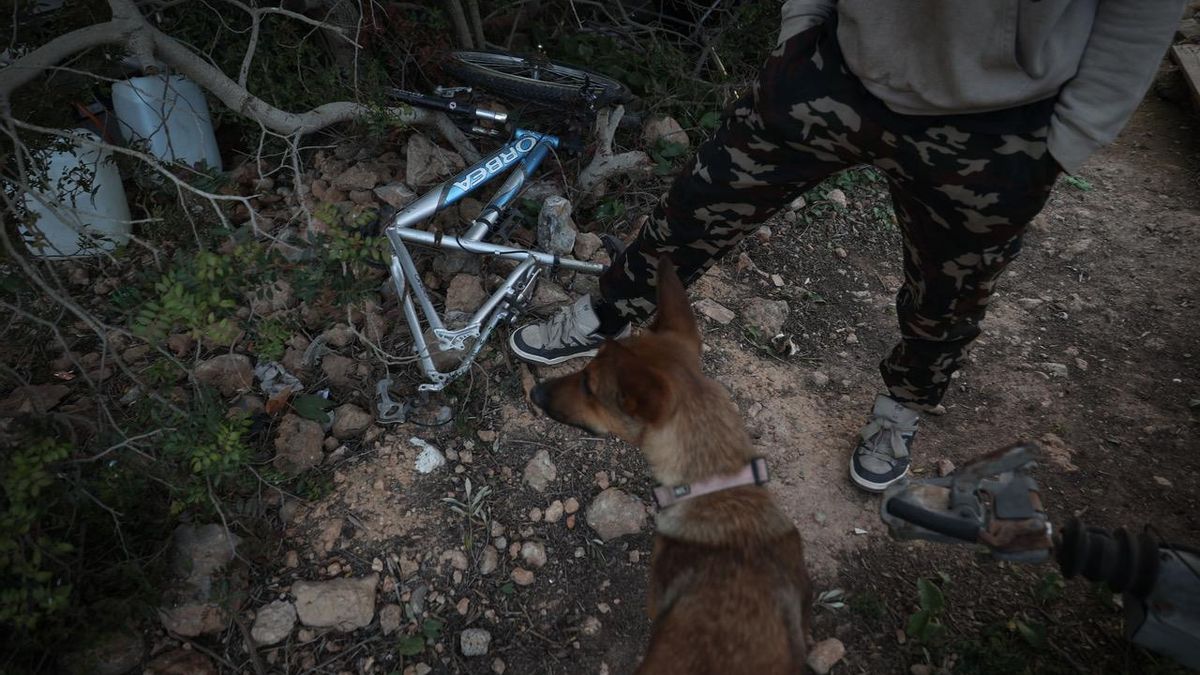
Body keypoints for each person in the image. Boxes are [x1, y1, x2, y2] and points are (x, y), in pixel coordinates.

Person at [509, 0, 1185, 492]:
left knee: (950, 290)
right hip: (841, 71)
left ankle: (902, 407)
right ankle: (609, 311)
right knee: (699, 202)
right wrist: (802, 30)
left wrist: (1072, 135)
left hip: (999, 121)